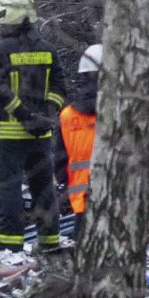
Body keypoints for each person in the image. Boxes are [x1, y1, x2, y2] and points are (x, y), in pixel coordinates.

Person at [0, 0, 65, 254]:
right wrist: (46, 115)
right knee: (43, 188)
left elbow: (1, 91)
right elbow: (60, 88)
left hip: (11, 133)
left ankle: (9, 242)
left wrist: (24, 116)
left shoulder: (0, 50)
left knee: (10, 188)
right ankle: (50, 241)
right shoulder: (48, 50)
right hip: (41, 134)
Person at [59, 44, 101, 241]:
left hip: (80, 196)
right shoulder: (122, 111)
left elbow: (59, 158)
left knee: (82, 250)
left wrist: (62, 180)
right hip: (117, 196)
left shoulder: (67, 115)